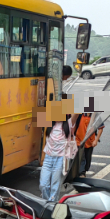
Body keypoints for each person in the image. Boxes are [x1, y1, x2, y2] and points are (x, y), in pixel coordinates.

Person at [39, 66, 74, 203]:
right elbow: (37, 118)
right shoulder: (48, 124)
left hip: (60, 159)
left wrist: (68, 100)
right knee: (43, 185)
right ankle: (47, 201)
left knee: (55, 186)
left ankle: (51, 205)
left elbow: (77, 111)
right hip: (48, 158)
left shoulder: (69, 124)